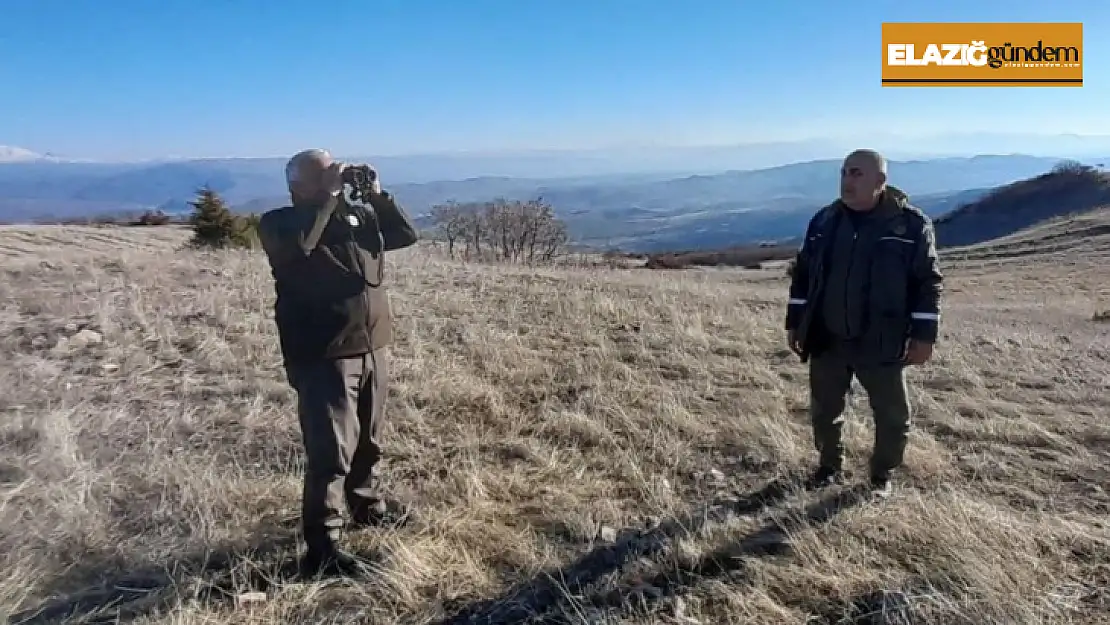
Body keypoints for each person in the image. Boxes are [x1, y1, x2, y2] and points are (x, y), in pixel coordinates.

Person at [257, 148, 419, 576]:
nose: (336, 176)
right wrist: (328, 199)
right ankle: (322, 547)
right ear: (299, 185)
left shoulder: (353, 217)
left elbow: (404, 235)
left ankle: (367, 507)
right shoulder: (280, 224)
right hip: (323, 353)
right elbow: (300, 246)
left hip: (371, 346)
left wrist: (378, 196)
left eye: (335, 169)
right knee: (331, 452)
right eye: (325, 173)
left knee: (369, 440)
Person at [784, 149, 943, 497]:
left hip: (881, 340)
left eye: (856, 173)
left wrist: (924, 335)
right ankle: (828, 468)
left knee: (891, 417)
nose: (847, 181)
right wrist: (795, 321)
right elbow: (804, 274)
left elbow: (927, 282)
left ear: (880, 182)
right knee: (824, 411)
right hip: (828, 337)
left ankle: (880, 477)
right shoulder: (824, 222)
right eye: (844, 172)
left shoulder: (910, 225)